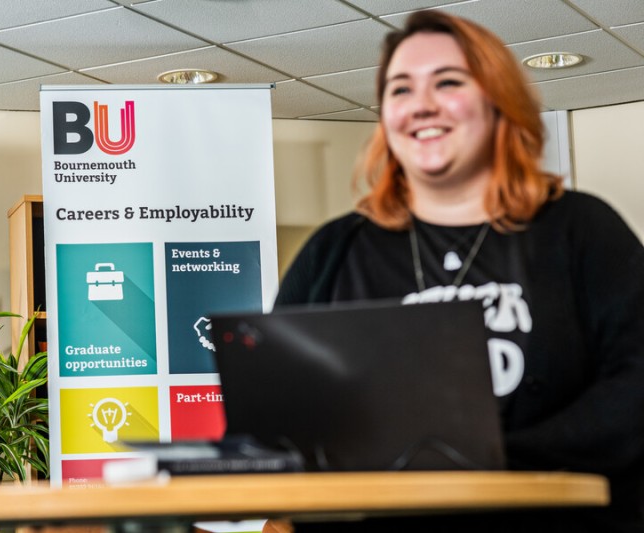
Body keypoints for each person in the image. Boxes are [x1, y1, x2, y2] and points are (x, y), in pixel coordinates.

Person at [274, 9, 644, 533]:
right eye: (400, 90)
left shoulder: (581, 230)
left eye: (447, 83)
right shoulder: (335, 251)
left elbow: (633, 390)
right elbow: (281, 407)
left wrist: (490, 462)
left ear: (499, 102)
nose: (421, 105)